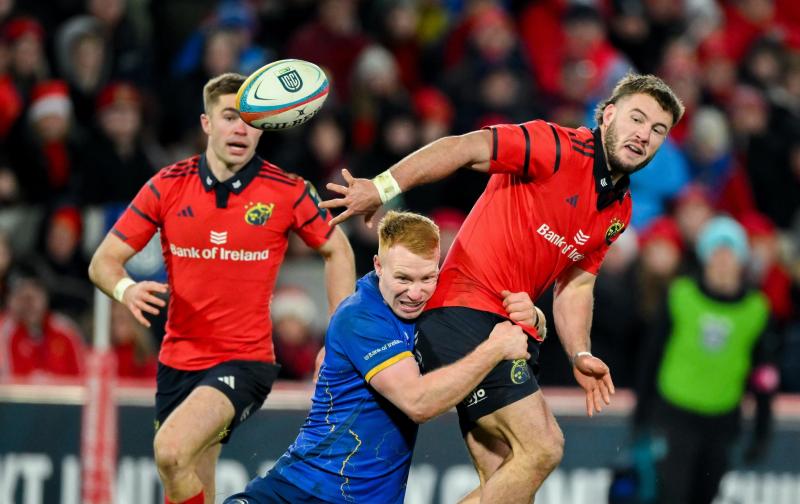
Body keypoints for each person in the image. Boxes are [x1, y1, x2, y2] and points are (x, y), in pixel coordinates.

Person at [322, 73, 685, 502]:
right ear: (608, 116)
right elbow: (461, 148)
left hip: (509, 330)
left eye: (657, 130)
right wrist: (382, 187)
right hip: (466, 312)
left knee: (511, 484)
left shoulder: (620, 208)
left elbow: (576, 284)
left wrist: (580, 352)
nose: (644, 135)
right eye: (636, 119)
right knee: (544, 446)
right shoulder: (555, 145)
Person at [88, 72, 355, 504]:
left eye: (251, 119)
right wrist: (126, 289)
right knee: (190, 478)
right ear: (206, 123)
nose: (240, 128)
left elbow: (337, 251)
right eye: (230, 117)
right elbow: (102, 261)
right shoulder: (168, 184)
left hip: (244, 362)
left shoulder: (286, 191)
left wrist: (338, 337)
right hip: (177, 362)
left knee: (171, 452)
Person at [225, 210, 540, 504]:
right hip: (299, 492)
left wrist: (534, 317)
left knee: (513, 480)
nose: (415, 293)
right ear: (378, 266)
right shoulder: (360, 317)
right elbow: (419, 403)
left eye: (427, 278)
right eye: (403, 279)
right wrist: (494, 349)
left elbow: (512, 327)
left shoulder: (436, 305)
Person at [632, 216, 779, 504]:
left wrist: (762, 431)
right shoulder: (681, 296)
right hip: (675, 411)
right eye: (716, 253)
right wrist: (642, 415)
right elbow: (652, 356)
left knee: (706, 495)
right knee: (672, 494)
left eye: (730, 253)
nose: (723, 261)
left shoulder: (756, 309)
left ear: (741, 260)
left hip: (722, 418)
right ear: (705, 257)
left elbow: (764, 376)